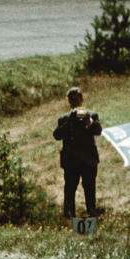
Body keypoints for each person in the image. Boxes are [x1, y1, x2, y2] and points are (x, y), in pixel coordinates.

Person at [53, 87, 104, 218]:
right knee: (70, 189)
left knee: (90, 188)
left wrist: (88, 120)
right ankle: (69, 214)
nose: (74, 101)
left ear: (82, 98)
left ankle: (91, 211)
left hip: (88, 159)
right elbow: (57, 135)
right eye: (72, 99)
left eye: (76, 98)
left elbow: (98, 130)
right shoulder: (64, 118)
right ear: (68, 101)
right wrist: (70, 120)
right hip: (72, 160)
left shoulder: (91, 115)